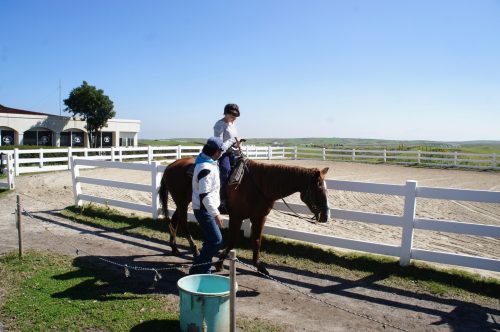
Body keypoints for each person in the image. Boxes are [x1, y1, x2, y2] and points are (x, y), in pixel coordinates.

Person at [189, 137, 225, 275]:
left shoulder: (205, 162)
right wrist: (216, 213)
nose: (221, 154)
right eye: (220, 151)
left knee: (210, 240)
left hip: (204, 209)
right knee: (216, 241)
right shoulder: (206, 168)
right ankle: (199, 268)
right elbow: (204, 194)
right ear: (216, 152)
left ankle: (203, 269)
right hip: (205, 210)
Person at [213, 103, 242, 209]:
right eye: (232, 116)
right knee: (225, 171)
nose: (234, 118)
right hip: (223, 153)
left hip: (233, 152)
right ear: (226, 114)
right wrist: (232, 140)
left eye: (235, 116)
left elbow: (234, 139)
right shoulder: (219, 125)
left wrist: (238, 144)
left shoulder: (232, 124)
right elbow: (219, 144)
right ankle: (222, 200)